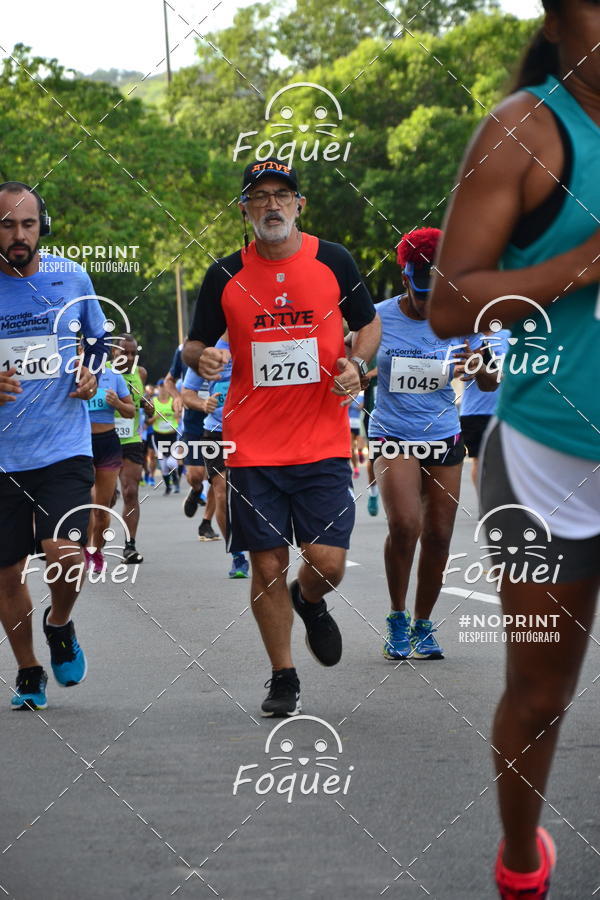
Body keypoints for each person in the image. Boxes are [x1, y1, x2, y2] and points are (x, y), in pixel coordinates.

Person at [429, 2, 600, 895]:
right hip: (551, 459)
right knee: (541, 695)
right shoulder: (526, 132)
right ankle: (522, 862)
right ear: (560, 13)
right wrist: (583, 263)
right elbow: (451, 306)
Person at [183, 158, 380, 716]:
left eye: (282, 195)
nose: (272, 205)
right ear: (244, 210)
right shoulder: (224, 275)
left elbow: (368, 325)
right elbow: (193, 346)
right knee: (267, 562)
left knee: (328, 563)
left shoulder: (334, 260)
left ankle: (310, 601)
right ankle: (283, 676)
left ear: (299, 205)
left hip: (320, 441)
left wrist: (357, 365)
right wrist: (206, 356)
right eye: (260, 196)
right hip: (252, 447)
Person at [0, 182, 103, 710]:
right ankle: (28, 670)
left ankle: (59, 622)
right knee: (6, 572)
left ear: (44, 225)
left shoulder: (72, 277)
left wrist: (93, 374)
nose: (19, 236)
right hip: (3, 459)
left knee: (65, 553)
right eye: (7, 225)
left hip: (65, 445)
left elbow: (97, 338)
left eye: (28, 224)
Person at [370, 227, 494, 663]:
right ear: (405, 279)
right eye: (423, 294)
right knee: (406, 524)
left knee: (440, 535)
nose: (430, 304)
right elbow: (352, 359)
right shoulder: (379, 317)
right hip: (393, 434)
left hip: (443, 433)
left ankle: (423, 623)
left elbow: (490, 378)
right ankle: (397, 617)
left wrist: (481, 364)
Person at [183, 334, 249, 575]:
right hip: (215, 431)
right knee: (221, 493)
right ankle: (237, 555)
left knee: (251, 492)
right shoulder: (207, 350)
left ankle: (262, 544)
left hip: (251, 430)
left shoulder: (254, 341)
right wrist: (203, 405)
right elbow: (187, 393)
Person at [86, 355, 135, 573]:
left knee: (101, 508)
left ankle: (96, 551)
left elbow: (131, 411)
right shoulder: (72, 374)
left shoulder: (113, 376)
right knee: (86, 504)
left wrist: (117, 403)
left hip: (107, 442)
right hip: (80, 444)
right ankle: (82, 550)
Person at [111, 334, 151, 564]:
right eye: (124, 352)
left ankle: (130, 545)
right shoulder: (103, 369)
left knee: (130, 492)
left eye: (133, 353)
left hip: (131, 439)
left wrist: (147, 405)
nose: (129, 357)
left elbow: (140, 398)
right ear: (113, 351)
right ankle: (95, 543)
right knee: (104, 500)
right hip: (104, 439)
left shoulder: (141, 373)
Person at [459, 328, 510, 486]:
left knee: (507, 463)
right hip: (475, 410)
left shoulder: (510, 336)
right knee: (481, 462)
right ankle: (484, 505)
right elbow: (455, 369)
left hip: (506, 411)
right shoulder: (467, 337)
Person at [180, 365, 221, 543]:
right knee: (196, 475)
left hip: (217, 426)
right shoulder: (188, 354)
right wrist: (175, 398)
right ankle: (196, 491)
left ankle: (206, 523)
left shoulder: (228, 355)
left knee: (216, 479)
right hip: (193, 425)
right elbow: (169, 381)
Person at [150, 379, 181, 494]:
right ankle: (168, 486)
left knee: (172, 463)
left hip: (172, 436)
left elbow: (179, 417)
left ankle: (176, 482)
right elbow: (147, 422)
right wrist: (156, 417)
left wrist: (177, 415)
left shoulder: (173, 401)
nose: (163, 389)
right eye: (161, 386)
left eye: (164, 386)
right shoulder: (153, 402)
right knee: (163, 465)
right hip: (158, 437)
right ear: (158, 388)